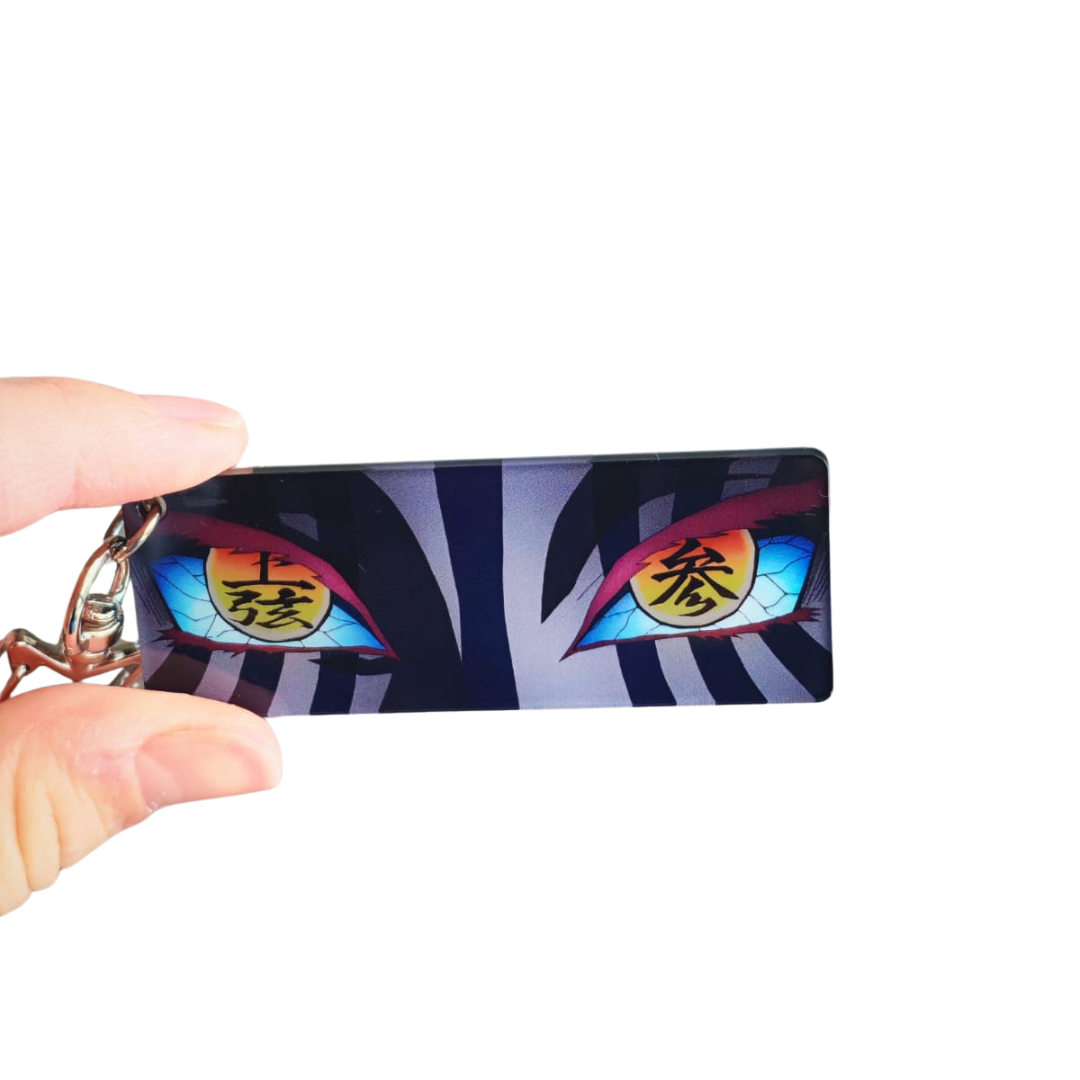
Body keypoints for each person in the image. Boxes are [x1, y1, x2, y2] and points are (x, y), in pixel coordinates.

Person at [0, 377, 282, 917]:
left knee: (136, 669)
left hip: (104, 666)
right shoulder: (87, 613)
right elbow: (70, 612)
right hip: (75, 661)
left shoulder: (133, 647)